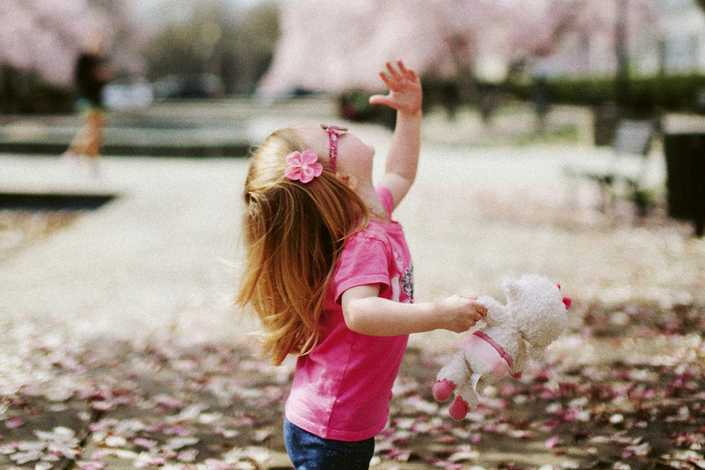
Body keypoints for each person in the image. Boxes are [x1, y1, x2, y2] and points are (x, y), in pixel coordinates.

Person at [235, 60, 487, 470]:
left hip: (334, 419)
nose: (339, 126)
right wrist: (439, 314)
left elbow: (401, 171)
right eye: (333, 135)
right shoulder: (364, 241)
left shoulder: (373, 213)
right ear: (345, 181)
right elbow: (360, 311)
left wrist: (409, 115)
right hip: (331, 429)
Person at [61, 33, 112, 174]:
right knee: (92, 129)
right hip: (86, 99)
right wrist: (95, 76)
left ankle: (92, 163)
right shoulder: (84, 59)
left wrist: (104, 77)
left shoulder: (101, 60)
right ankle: (72, 154)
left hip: (98, 100)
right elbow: (80, 79)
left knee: (98, 133)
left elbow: (103, 82)